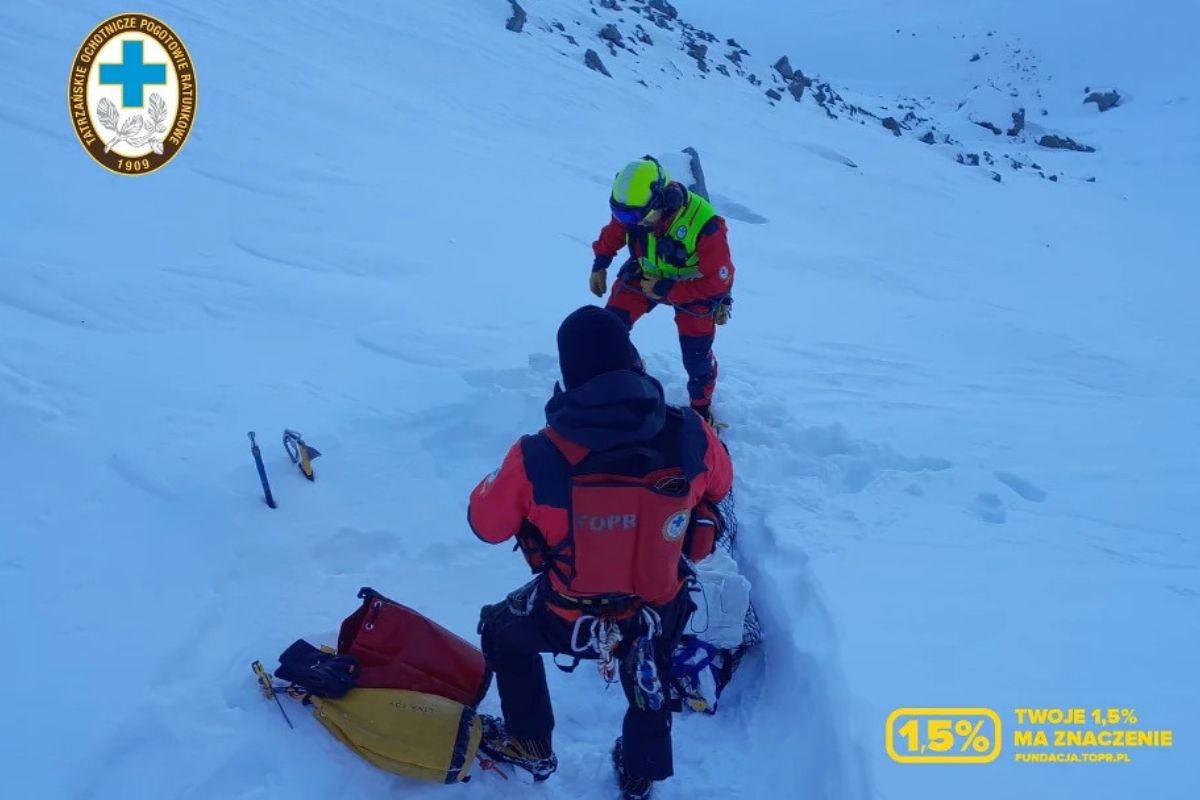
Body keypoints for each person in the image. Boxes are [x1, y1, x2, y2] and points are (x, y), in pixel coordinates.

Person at [469, 306, 734, 800]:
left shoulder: (537, 455)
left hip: (566, 615)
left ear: (570, 376)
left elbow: (486, 524)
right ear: (632, 361)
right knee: (650, 654)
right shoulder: (690, 434)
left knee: (503, 630)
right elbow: (721, 483)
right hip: (657, 606)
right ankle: (640, 771)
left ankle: (530, 742)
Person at [589, 156, 736, 424]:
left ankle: (701, 409)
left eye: (635, 217)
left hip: (694, 291)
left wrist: (667, 289)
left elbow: (719, 281)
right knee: (611, 327)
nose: (631, 222)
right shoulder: (637, 209)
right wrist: (601, 262)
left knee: (696, 357)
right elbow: (615, 231)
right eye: (623, 215)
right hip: (645, 275)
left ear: (662, 201)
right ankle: (629, 374)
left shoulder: (704, 223)